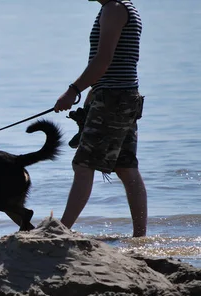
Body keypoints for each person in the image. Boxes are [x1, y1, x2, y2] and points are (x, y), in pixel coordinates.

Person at [54, 0, 147, 237]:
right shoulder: (122, 7)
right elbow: (116, 62)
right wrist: (91, 95)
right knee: (125, 167)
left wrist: (73, 90)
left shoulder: (114, 8)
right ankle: (140, 237)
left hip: (114, 98)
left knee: (83, 164)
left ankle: (61, 231)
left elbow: (103, 60)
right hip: (121, 95)